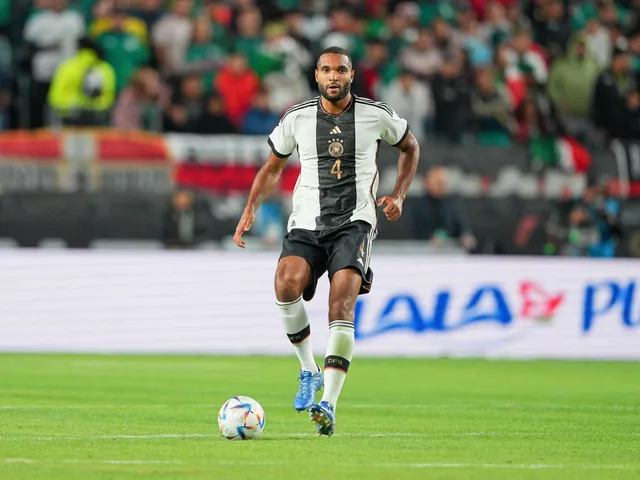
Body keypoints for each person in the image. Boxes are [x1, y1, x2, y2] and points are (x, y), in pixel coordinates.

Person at [233, 46, 420, 436]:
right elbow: (272, 168)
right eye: (326, 70)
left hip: (355, 222)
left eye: (340, 70)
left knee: (342, 301)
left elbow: (410, 147)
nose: (333, 76)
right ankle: (308, 369)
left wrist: (400, 195)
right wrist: (250, 208)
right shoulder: (297, 117)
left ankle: (329, 405)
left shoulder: (376, 114)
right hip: (307, 221)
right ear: (316, 76)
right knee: (285, 283)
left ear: (351, 75)